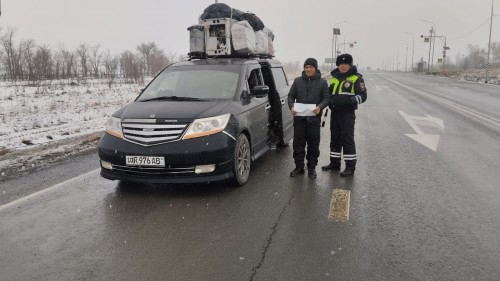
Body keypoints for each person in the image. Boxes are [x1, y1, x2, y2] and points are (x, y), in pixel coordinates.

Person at [321, 53, 367, 176]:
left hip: (347, 114)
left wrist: (349, 101)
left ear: (350, 65)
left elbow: (363, 96)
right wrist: (329, 100)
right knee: (335, 139)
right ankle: (335, 164)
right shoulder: (335, 78)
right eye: (341, 64)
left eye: (346, 64)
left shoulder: (356, 78)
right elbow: (330, 93)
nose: (343, 66)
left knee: (347, 140)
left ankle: (350, 167)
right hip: (335, 113)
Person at [288, 58, 330, 178]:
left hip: (314, 119)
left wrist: (320, 107)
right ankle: (299, 167)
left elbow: (326, 98)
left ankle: (311, 168)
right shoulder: (297, 81)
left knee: (313, 145)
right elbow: (291, 96)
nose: (308, 69)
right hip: (299, 119)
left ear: (315, 68)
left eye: (311, 67)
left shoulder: (322, 82)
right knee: (298, 144)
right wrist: (291, 107)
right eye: (306, 67)